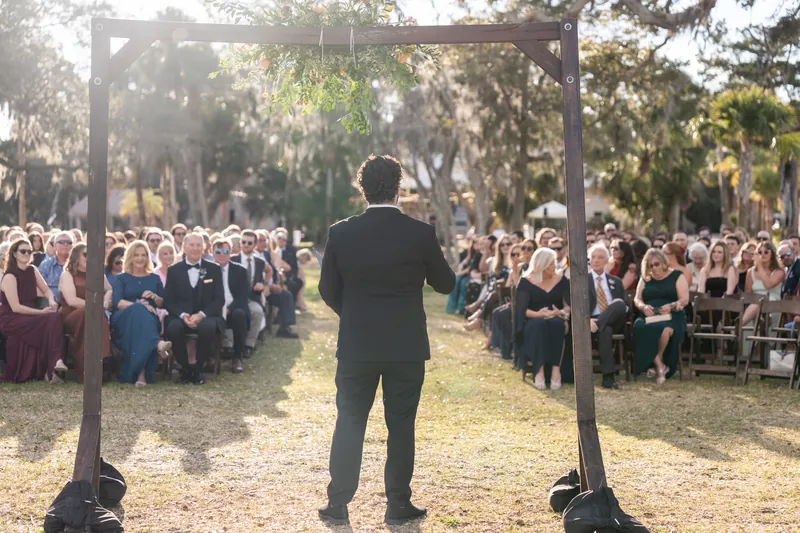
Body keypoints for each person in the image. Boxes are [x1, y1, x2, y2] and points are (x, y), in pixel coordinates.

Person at [318, 154, 455, 527]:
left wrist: (356, 315)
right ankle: (397, 503)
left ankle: (337, 503)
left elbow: (327, 289)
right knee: (401, 424)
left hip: (357, 344)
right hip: (405, 345)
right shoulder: (420, 233)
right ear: (399, 188)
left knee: (349, 421)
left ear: (362, 189)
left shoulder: (341, 232)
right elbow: (446, 284)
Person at [0, 238, 65, 383]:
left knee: (54, 317)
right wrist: (41, 313)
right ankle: (52, 369)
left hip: (29, 314)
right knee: (50, 319)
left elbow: (47, 290)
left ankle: (56, 363)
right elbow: (15, 307)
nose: (27, 254)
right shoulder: (10, 276)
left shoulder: (32, 270)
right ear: (14, 254)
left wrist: (51, 300)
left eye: (29, 251)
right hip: (12, 318)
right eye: (23, 251)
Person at [164, 233, 225, 385]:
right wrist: (183, 315)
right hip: (181, 315)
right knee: (173, 328)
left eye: (199, 245)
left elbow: (219, 299)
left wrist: (201, 314)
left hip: (207, 315)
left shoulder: (213, 269)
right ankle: (185, 369)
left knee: (207, 327)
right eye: (192, 245)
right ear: (184, 247)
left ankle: (198, 369)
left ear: (204, 248)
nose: (195, 248)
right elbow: (169, 300)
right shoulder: (174, 270)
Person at [111, 240, 171, 387]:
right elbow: (118, 303)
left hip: (149, 320)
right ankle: (157, 343)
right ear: (131, 257)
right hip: (124, 318)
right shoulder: (121, 278)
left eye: (143, 255)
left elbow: (163, 303)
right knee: (139, 310)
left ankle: (141, 374)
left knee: (141, 328)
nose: (140, 258)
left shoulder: (154, 278)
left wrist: (155, 297)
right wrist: (141, 307)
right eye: (136, 255)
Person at [514, 248, 571, 390]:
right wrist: (539, 314)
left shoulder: (561, 279)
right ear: (542, 265)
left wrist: (560, 312)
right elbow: (522, 310)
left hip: (557, 317)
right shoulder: (526, 281)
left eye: (554, 263)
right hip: (534, 318)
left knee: (557, 325)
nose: (555, 266)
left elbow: (568, 305)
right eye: (551, 264)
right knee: (538, 326)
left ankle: (555, 370)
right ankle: (538, 371)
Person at [633, 248, 688, 385]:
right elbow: (637, 299)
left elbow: (684, 300)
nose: (654, 268)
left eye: (657, 264)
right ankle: (660, 365)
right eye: (650, 266)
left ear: (664, 262)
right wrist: (643, 307)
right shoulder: (645, 279)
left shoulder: (676, 275)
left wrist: (671, 306)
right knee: (639, 325)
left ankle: (657, 362)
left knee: (664, 330)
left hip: (672, 315)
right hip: (649, 314)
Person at [59, 243, 112, 383]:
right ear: (76, 256)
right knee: (88, 313)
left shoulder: (97, 273)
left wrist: (106, 301)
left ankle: (95, 367)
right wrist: (97, 306)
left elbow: (108, 289)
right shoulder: (67, 275)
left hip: (93, 315)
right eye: (86, 254)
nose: (90, 258)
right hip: (72, 316)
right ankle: (96, 363)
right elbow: (71, 301)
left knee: (92, 317)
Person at [233, 229, 293, 341]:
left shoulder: (262, 258)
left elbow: (270, 270)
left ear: (254, 244)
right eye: (243, 242)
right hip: (238, 296)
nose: (246, 245)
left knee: (285, 295)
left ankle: (283, 328)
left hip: (256, 294)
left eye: (249, 243)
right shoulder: (235, 259)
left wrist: (265, 284)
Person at [588, 244, 627, 390]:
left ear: (607, 260)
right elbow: (577, 306)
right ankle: (608, 378)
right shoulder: (582, 280)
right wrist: (586, 320)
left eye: (600, 257)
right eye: (593, 257)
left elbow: (623, 308)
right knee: (605, 331)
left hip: (612, 318)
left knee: (620, 304)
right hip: (592, 319)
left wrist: (595, 323)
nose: (596, 260)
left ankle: (598, 324)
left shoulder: (615, 281)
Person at [213, 237, 249, 374]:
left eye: (225, 251)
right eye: (218, 251)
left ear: (231, 252)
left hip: (233, 308)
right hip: (214, 309)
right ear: (212, 251)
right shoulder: (207, 269)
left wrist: (229, 309)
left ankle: (237, 357)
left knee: (240, 315)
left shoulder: (240, 271)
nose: (222, 254)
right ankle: (209, 358)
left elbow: (242, 296)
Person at [741, 241, 785, 326]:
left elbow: (768, 285)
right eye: (759, 252)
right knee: (756, 304)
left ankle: (739, 326)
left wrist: (759, 266)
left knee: (759, 302)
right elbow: (747, 293)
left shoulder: (779, 271)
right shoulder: (751, 271)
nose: (763, 254)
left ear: (772, 254)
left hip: (773, 304)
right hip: (754, 306)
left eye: (766, 252)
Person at [38, 230, 74, 304]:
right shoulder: (46, 264)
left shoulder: (79, 264)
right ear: (54, 245)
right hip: (50, 303)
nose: (65, 244)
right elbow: (39, 287)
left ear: (73, 245)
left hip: (73, 303)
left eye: (69, 242)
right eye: (61, 242)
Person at [272, 228, 304, 302]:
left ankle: (294, 304)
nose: (281, 241)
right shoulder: (272, 250)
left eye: (284, 239)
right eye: (279, 238)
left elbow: (293, 266)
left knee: (298, 282)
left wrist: (288, 277)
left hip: (286, 275)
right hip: (275, 276)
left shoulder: (290, 250)